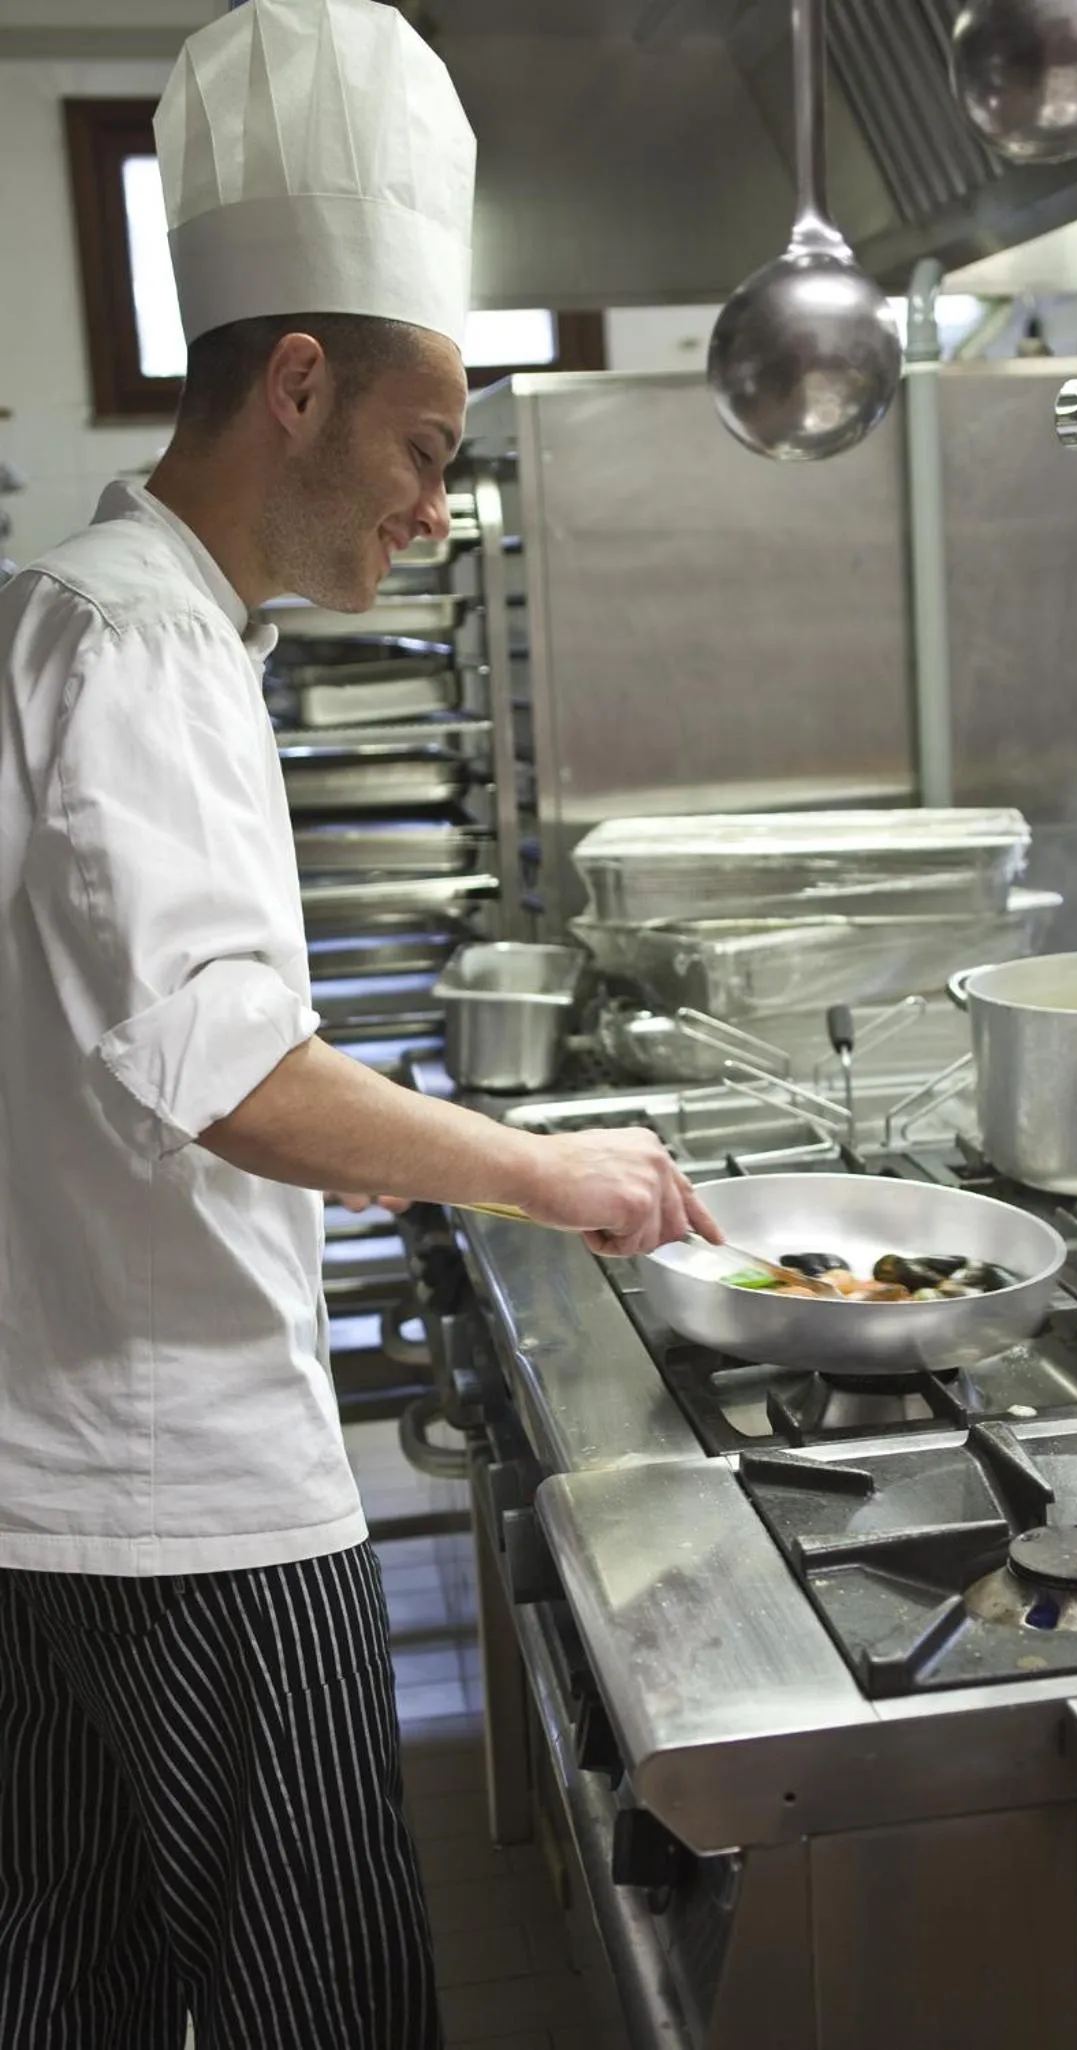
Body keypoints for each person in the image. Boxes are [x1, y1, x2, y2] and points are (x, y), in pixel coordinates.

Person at [0, 3, 718, 2045]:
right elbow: (226, 1070)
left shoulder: (95, 615)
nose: (431, 506)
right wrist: (540, 1170)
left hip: (62, 1489)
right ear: (294, 385)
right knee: (328, 2006)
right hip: (192, 1508)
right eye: (424, 446)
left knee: (82, 1993)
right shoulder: (144, 647)